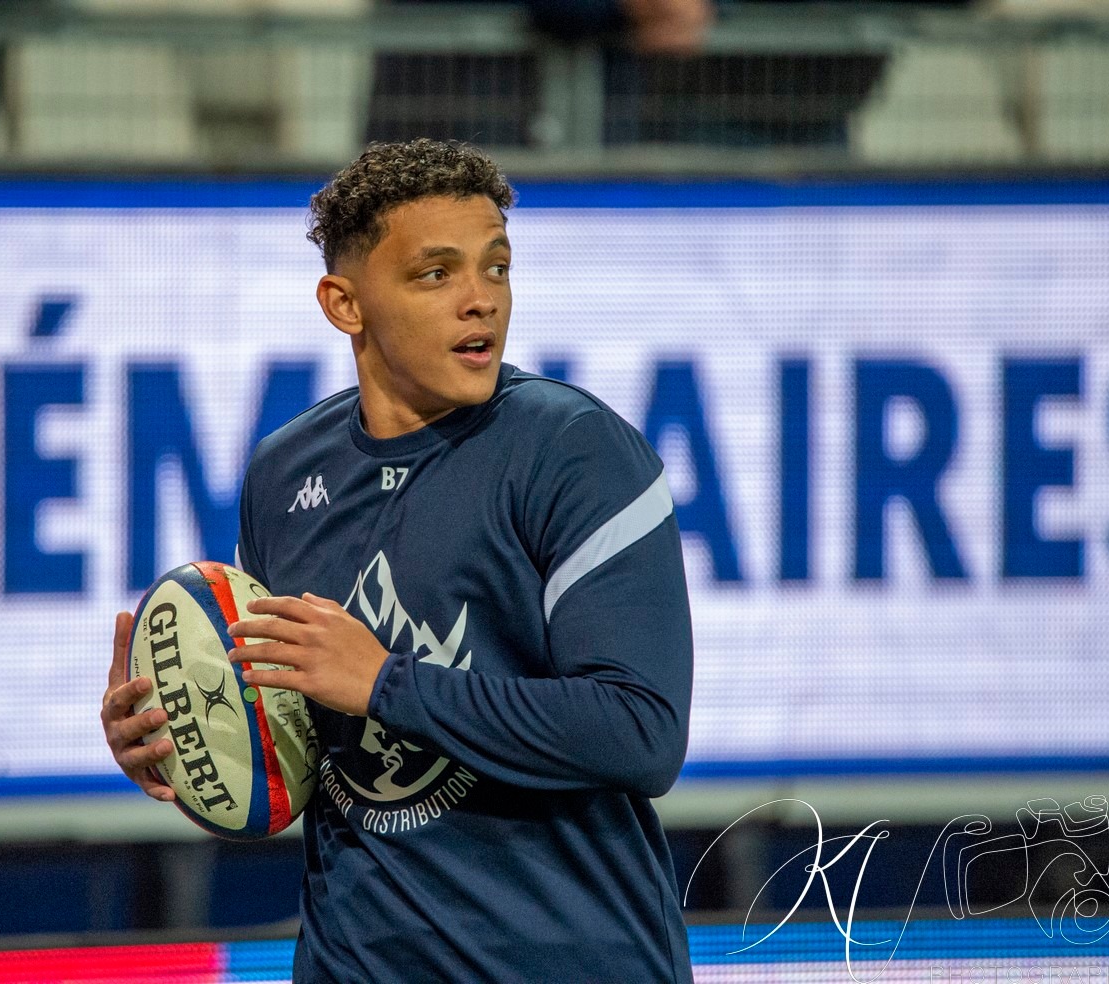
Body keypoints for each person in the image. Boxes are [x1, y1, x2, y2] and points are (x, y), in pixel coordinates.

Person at [102, 138, 695, 982]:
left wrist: (387, 683)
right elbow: (298, 756)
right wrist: (184, 739)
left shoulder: (574, 450)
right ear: (345, 304)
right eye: (435, 274)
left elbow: (640, 734)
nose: (480, 300)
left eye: (496, 268)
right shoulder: (283, 474)